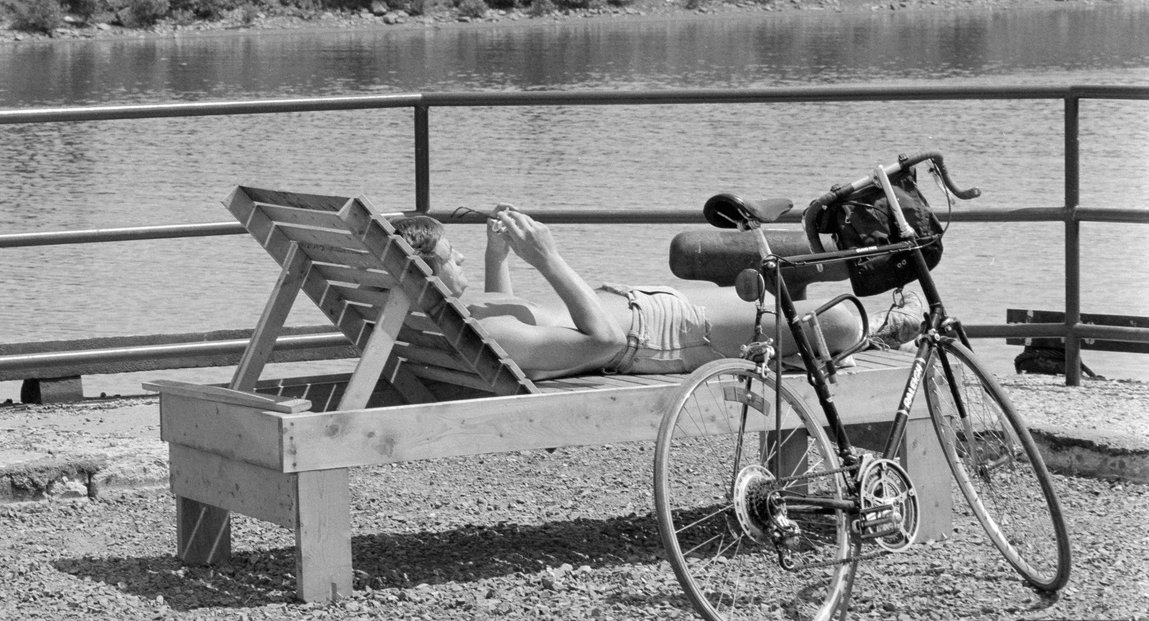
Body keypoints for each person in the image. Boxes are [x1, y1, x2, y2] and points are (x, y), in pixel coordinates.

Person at [392, 205, 923, 381]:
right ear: (426, 270)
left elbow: (514, 322)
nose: (460, 259)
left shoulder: (454, 315)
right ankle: (880, 329)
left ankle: (871, 329)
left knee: (781, 299)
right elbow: (601, 341)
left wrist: (497, 258)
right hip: (667, 337)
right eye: (451, 256)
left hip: (656, 314)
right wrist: (547, 258)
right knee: (840, 321)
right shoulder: (483, 329)